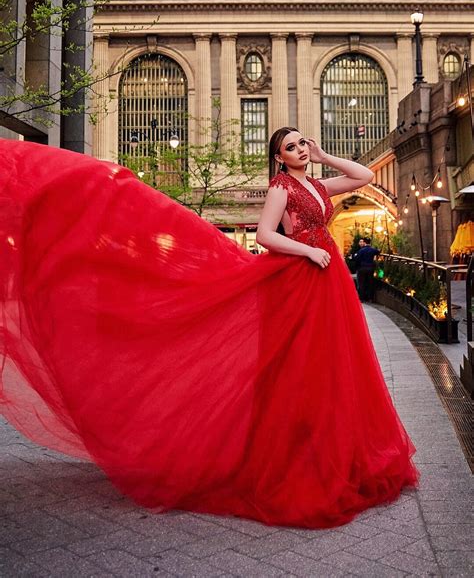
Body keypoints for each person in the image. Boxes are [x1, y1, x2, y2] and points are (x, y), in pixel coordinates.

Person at [0, 134, 418, 529]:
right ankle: (291, 458)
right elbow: (265, 236)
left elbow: (363, 177)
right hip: (301, 280)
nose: (300, 151)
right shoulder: (280, 189)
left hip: (329, 284)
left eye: (302, 144)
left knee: (330, 365)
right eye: (291, 148)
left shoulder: (317, 185)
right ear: (279, 157)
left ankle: (334, 450)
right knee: (297, 368)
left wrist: (325, 157)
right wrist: (308, 249)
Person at [355, 237, 380, 302]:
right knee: (370, 283)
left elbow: (357, 259)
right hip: (370, 268)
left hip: (362, 268)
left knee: (361, 284)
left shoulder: (361, 250)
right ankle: (370, 298)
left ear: (364, 242)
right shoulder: (372, 250)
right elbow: (378, 252)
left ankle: (362, 298)